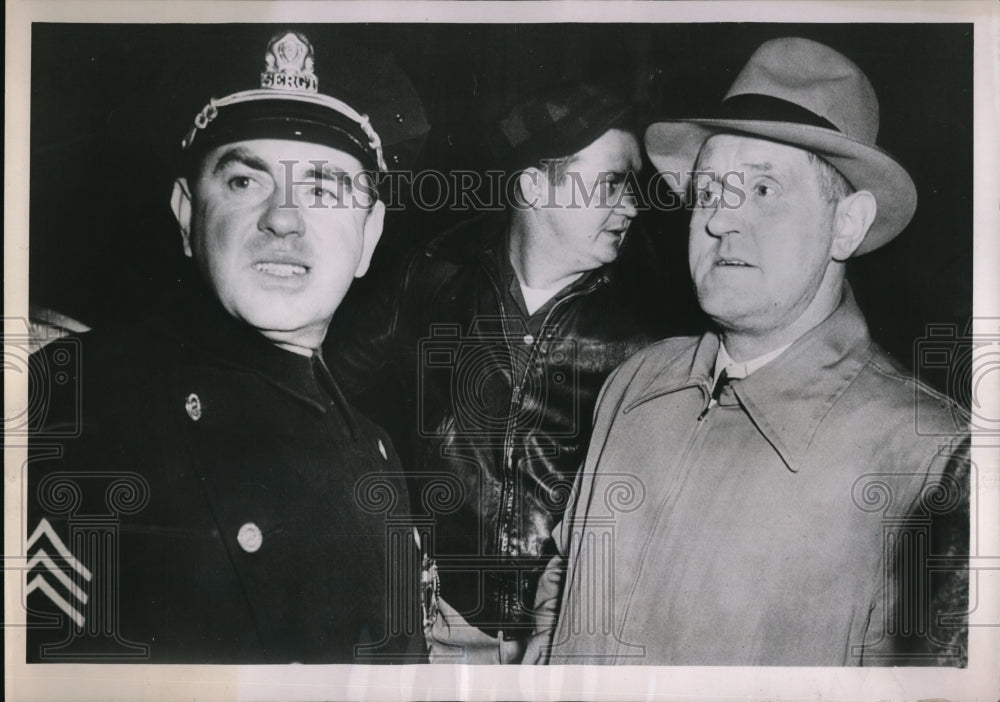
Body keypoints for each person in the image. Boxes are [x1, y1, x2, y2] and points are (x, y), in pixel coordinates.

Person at [526, 37, 970, 666]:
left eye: (763, 191)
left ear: (846, 222)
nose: (719, 220)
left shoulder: (926, 461)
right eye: (708, 192)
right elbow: (564, 583)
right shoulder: (637, 383)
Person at [25, 31, 427, 663]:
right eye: (244, 182)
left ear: (370, 236)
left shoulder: (378, 453)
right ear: (187, 214)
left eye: (324, 189)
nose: (284, 218)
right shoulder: (76, 399)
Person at [325, 83, 669, 663]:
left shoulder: (646, 338)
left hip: (568, 639)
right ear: (534, 185)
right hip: (434, 628)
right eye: (613, 183)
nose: (632, 206)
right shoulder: (430, 280)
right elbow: (320, 400)